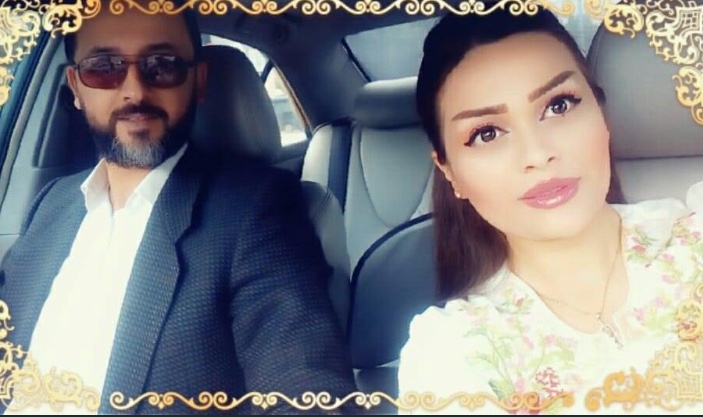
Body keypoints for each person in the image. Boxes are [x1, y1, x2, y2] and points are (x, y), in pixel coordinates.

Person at [0, 1, 358, 415]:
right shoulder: (52, 203)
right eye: (104, 67)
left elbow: (308, 393)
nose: (135, 91)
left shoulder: (254, 210)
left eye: (163, 65)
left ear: (199, 80)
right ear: (76, 88)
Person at [397, 7, 703, 415]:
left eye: (559, 105)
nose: (538, 154)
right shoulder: (453, 355)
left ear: (601, 114)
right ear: (450, 172)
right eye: (486, 133)